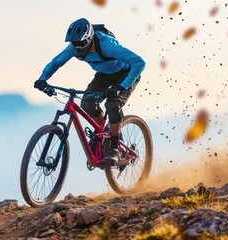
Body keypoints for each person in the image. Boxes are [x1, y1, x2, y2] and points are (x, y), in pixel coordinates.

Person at [33, 18, 146, 166]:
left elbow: (139, 63)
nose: (78, 48)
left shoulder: (107, 45)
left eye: (81, 44)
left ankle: (114, 148)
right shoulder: (74, 48)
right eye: (74, 44)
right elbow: (56, 62)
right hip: (104, 74)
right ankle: (105, 133)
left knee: (112, 104)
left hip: (126, 73)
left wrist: (121, 87)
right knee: (87, 103)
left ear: (89, 38)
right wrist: (42, 79)